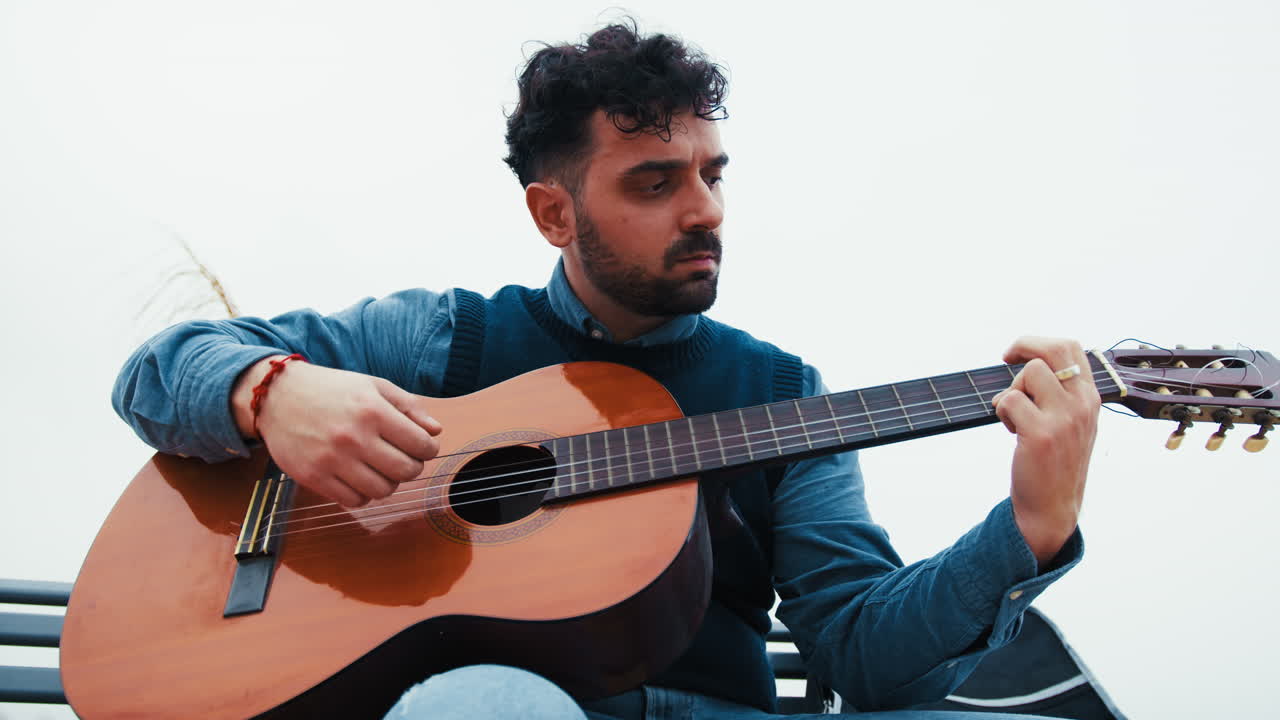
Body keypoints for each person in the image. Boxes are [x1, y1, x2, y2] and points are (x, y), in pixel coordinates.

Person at [112, 21, 1100, 720]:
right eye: (654, 182)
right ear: (553, 213)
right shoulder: (444, 342)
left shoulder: (781, 395)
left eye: (711, 174)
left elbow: (861, 652)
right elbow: (160, 371)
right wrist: (271, 392)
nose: (704, 209)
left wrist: (1027, 529)